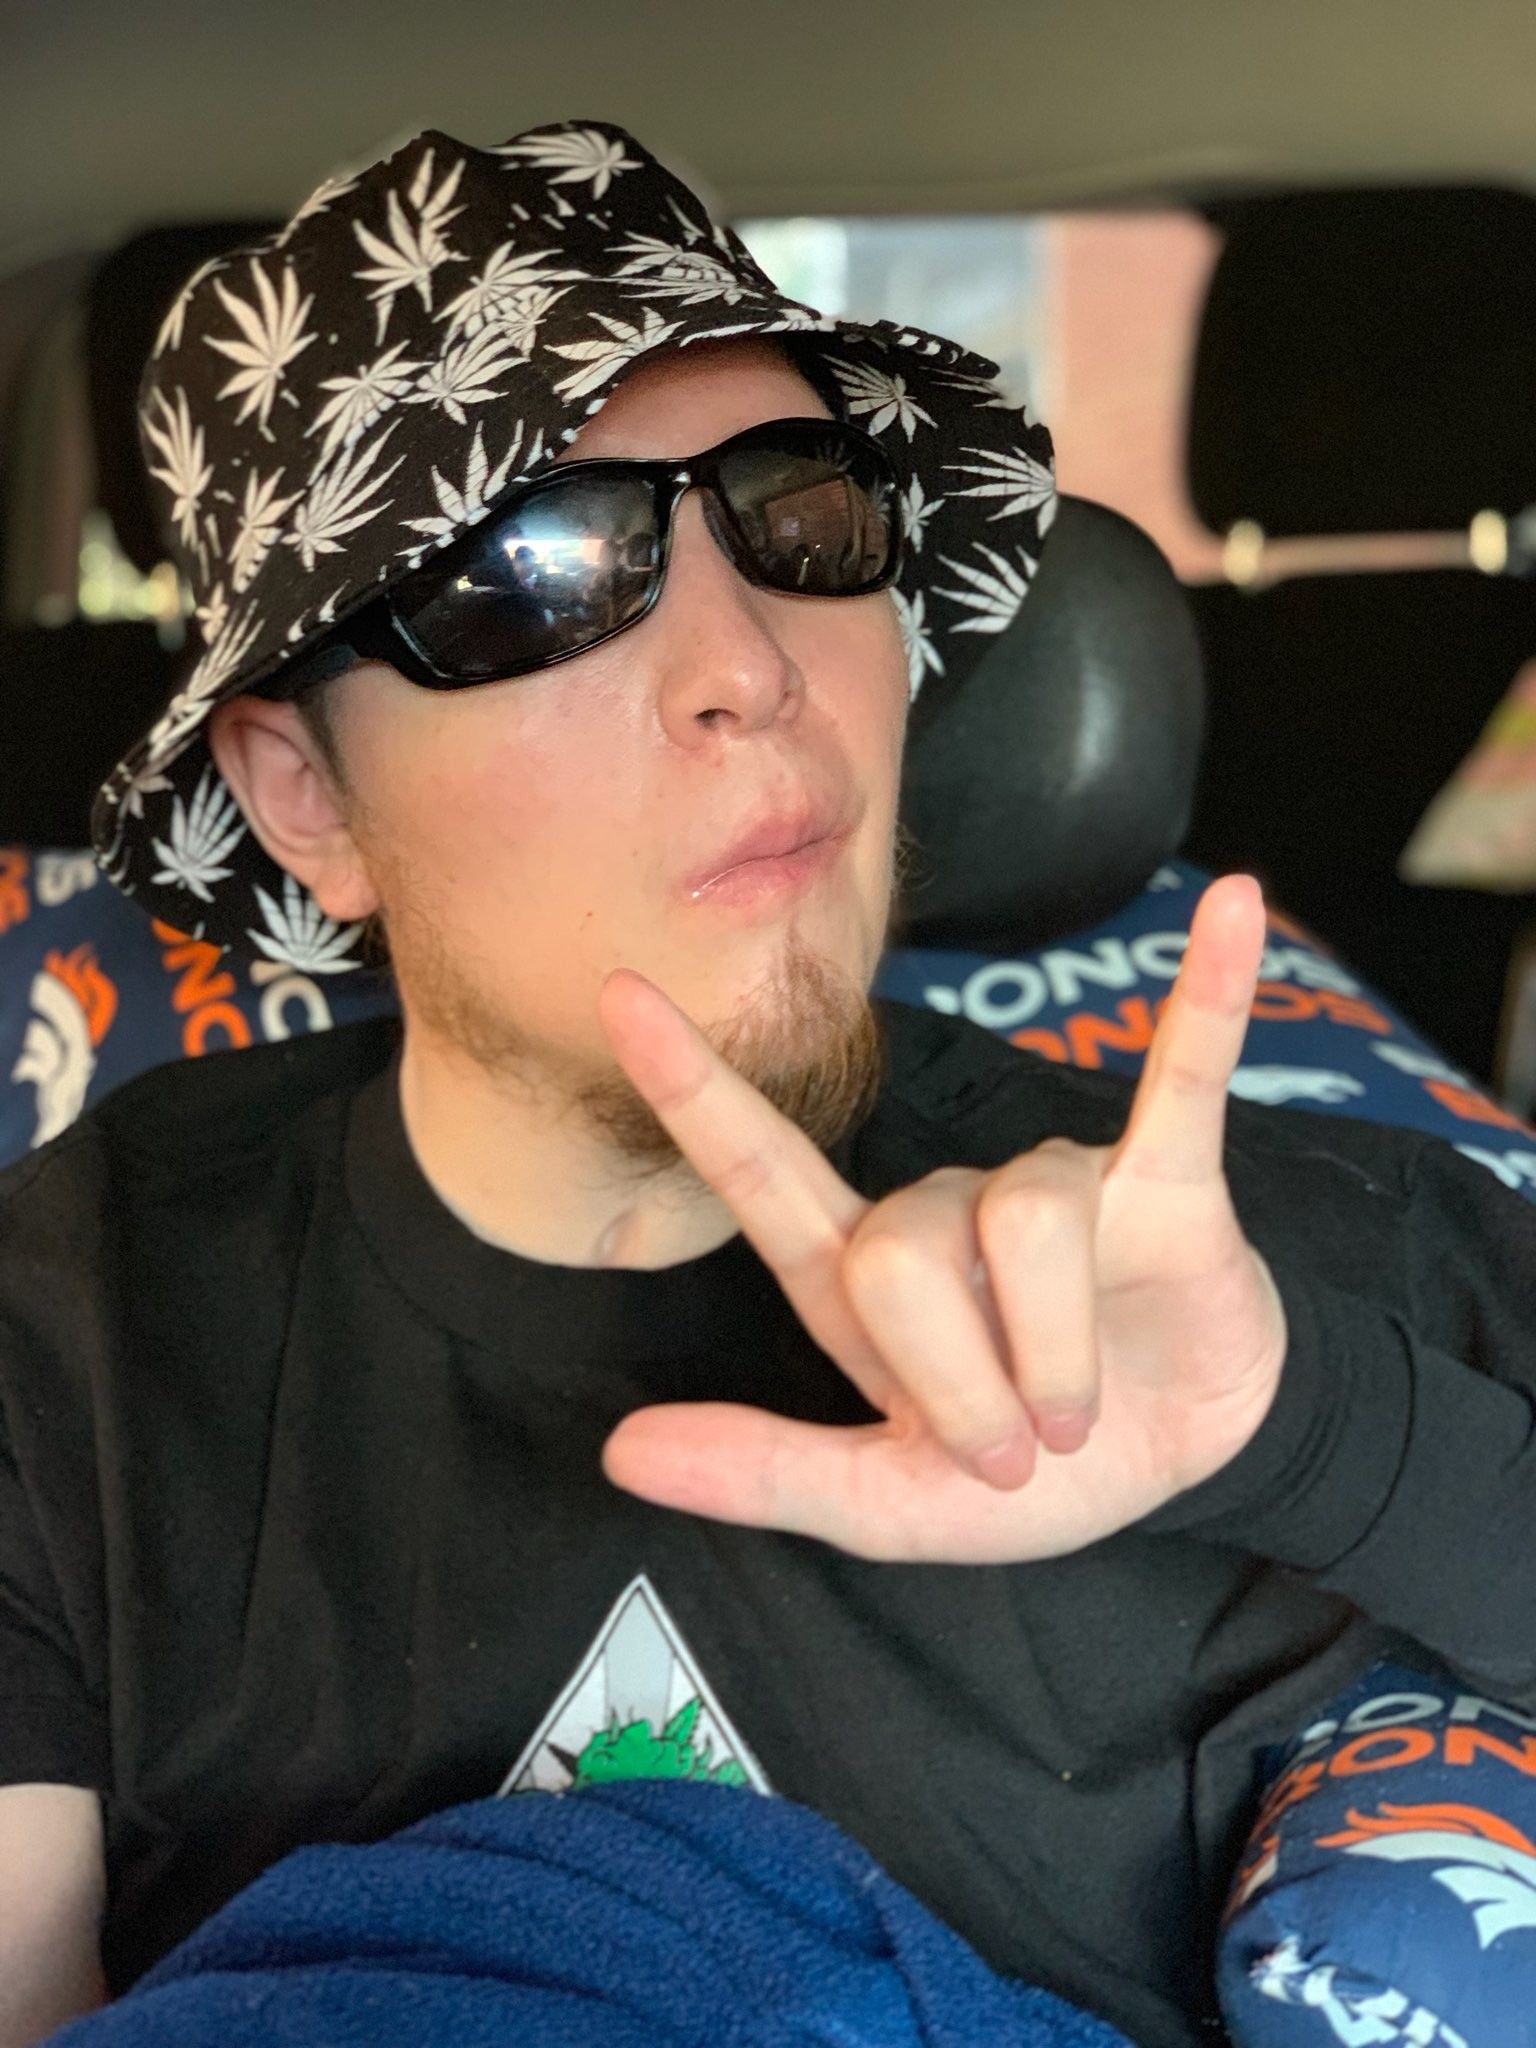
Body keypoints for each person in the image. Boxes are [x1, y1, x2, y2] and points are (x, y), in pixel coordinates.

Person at [2, 118, 1535, 2048]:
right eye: (538, 566)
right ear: (306, 795)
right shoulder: (82, 1319)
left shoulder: (1229, 1255)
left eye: (805, 516)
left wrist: (1305, 1435)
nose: (747, 663)